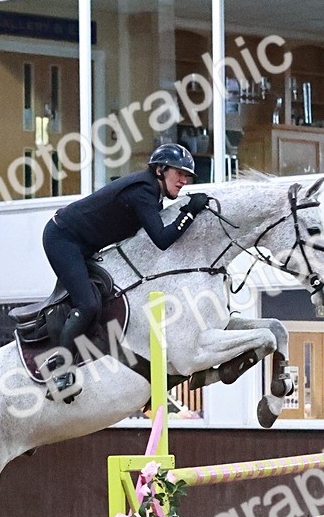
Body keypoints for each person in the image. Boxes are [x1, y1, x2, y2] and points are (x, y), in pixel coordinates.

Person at [41, 143, 209, 398]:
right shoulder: (144, 192)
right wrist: (190, 212)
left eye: (187, 176)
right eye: (180, 174)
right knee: (87, 305)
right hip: (63, 240)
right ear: (161, 170)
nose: (184, 181)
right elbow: (162, 239)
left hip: (81, 241)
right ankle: (60, 375)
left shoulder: (151, 192)